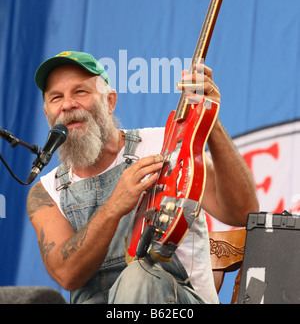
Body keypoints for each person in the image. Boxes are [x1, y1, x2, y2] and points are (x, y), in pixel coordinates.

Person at [27, 50, 259, 304]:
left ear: (110, 101)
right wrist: (115, 205)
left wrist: (210, 120)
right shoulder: (46, 191)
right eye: (56, 97)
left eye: (80, 92)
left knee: (139, 277)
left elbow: (241, 212)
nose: (68, 104)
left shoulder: (167, 145)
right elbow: (67, 274)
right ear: (48, 113)